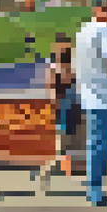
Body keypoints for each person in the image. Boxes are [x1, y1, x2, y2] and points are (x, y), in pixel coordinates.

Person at [74, 0, 107, 207]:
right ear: (97, 9)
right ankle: (95, 190)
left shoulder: (83, 31)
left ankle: (93, 188)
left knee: (94, 143)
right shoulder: (105, 32)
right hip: (105, 96)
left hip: (88, 95)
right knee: (100, 145)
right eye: (106, 9)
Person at [37, 32, 80, 193]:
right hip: (65, 111)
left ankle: (52, 174)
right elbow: (54, 89)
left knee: (69, 147)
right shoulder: (57, 65)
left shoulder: (66, 63)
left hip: (71, 109)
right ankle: (47, 174)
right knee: (63, 148)